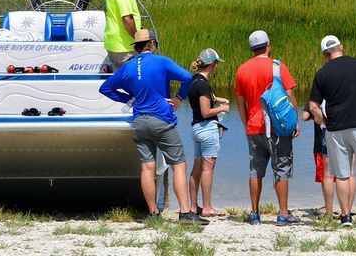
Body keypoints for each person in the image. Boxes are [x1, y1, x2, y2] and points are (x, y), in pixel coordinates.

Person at [99, 29, 205, 224]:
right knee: (178, 164)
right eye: (154, 42)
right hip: (162, 119)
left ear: (137, 48)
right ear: (151, 45)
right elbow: (188, 78)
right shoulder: (161, 61)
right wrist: (179, 98)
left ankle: (153, 214)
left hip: (139, 121)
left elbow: (105, 88)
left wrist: (128, 97)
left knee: (147, 168)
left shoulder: (128, 67)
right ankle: (184, 213)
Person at [308, 35, 356, 228]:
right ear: (341, 47)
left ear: (324, 54)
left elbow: (313, 106)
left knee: (342, 173)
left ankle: (345, 217)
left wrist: (324, 121)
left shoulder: (322, 73)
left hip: (336, 128)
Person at [234, 30, 301, 226]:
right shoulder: (277, 66)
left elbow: (240, 102)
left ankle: (254, 214)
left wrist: (247, 123)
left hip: (254, 127)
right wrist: (294, 121)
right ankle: (282, 213)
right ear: (268, 44)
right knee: (281, 168)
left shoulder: (242, 69)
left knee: (255, 171)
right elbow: (290, 96)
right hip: (278, 127)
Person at [188, 48, 229, 218]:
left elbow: (206, 97)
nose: (217, 68)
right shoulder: (203, 84)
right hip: (207, 128)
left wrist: (218, 99)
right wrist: (223, 108)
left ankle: (192, 207)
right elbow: (206, 111)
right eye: (216, 65)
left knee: (196, 168)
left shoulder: (194, 81)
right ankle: (207, 207)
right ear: (211, 65)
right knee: (208, 169)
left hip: (196, 129)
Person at [103, 0, 149, 71]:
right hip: (123, 46)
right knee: (132, 81)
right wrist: (138, 39)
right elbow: (127, 19)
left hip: (114, 43)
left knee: (122, 79)